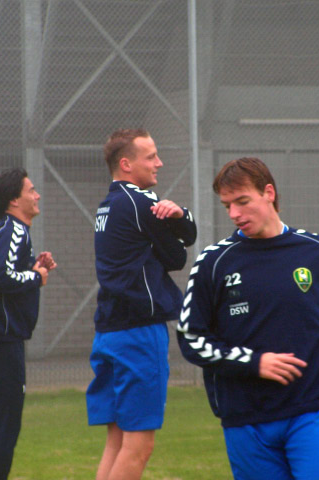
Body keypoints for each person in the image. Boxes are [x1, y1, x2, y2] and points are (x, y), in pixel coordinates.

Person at [177, 157, 319, 480]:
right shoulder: (214, 262)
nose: (235, 214)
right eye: (227, 206)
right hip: (245, 416)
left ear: (269, 192)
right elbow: (190, 338)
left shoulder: (315, 250)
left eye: (242, 202)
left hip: (308, 407)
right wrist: (254, 362)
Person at [87, 128, 197, 480]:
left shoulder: (108, 204)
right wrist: (181, 214)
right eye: (150, 157)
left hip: (109, 331)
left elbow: (167, 251)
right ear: (126, 164)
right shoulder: (140, 201)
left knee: (116, 440)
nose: (159, 163)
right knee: (139, 445)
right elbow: (181, 250)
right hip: (138, 334)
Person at [0, 167, 56, 480]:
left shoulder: (5, 231)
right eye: (31, 190)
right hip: (0, 344)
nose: (37, 195)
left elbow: (2, 274)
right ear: (14, 200)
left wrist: (33, 267)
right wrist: (36, 276)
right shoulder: (14, 230)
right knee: (4, 426)